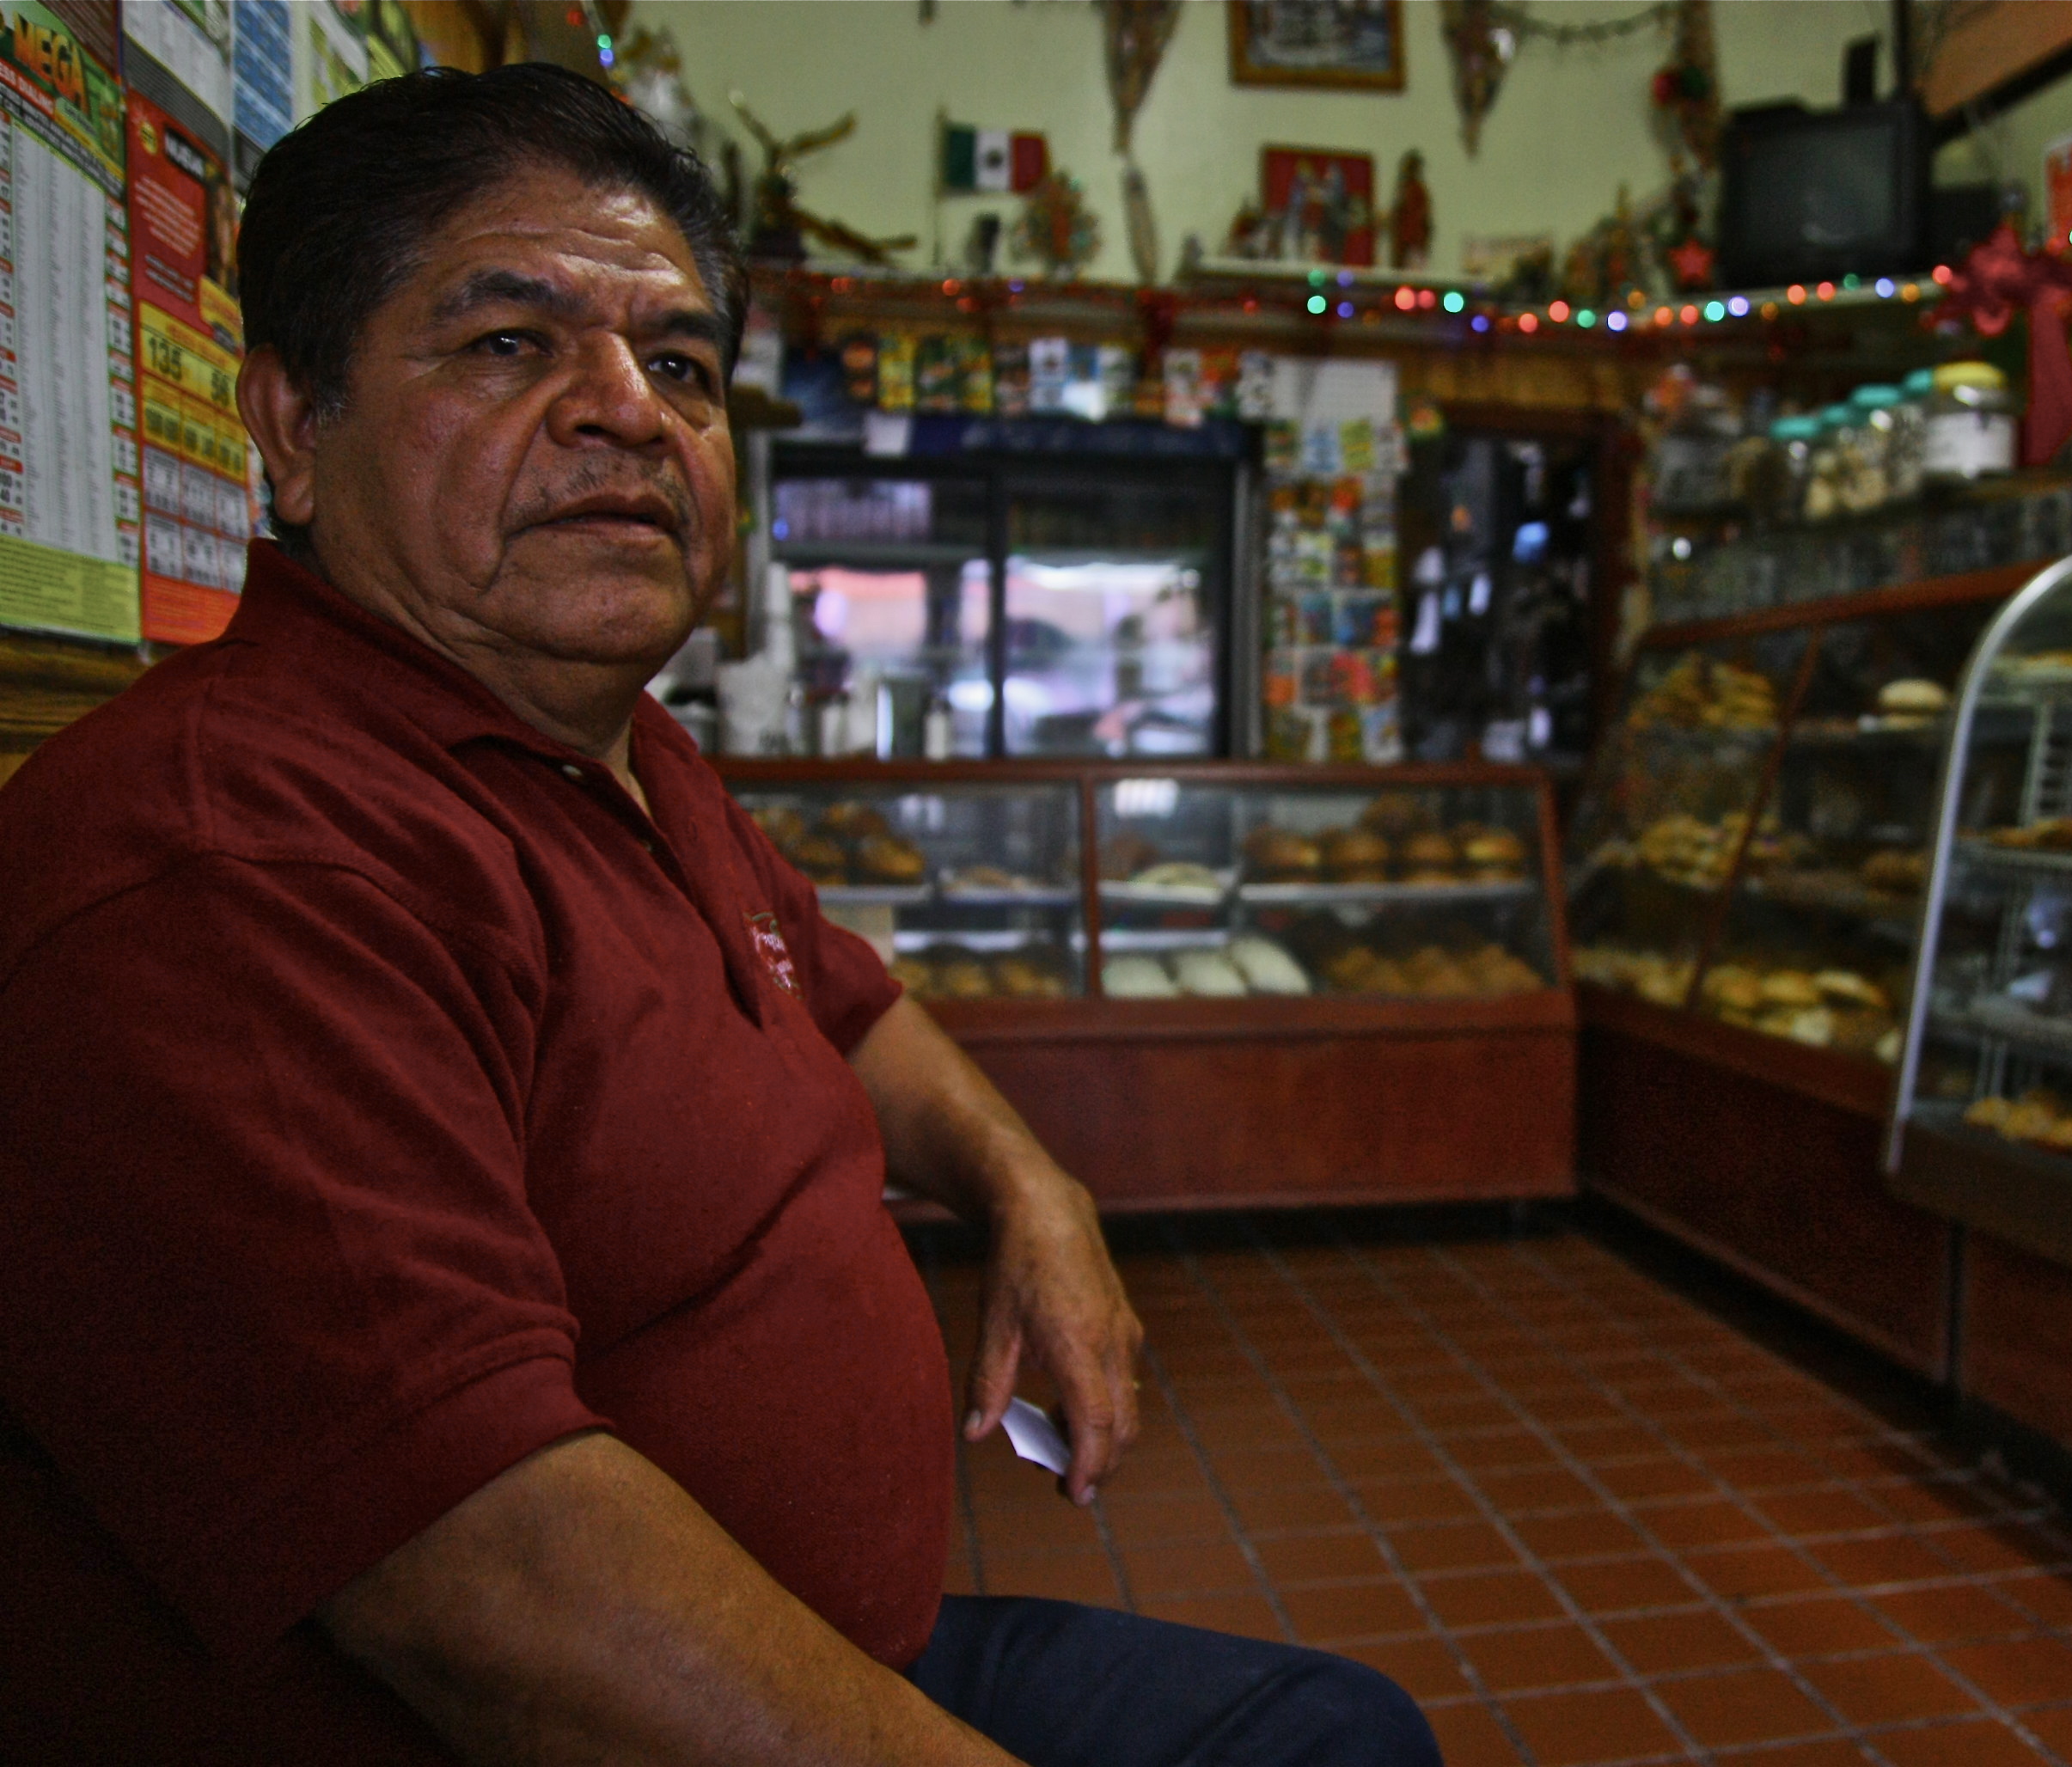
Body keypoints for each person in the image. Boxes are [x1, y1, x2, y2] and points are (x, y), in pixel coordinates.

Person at [0, 64, 1438, 1767]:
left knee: (1338, 1730)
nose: (628, 410)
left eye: (679, 364)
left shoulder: (619, 753)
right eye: (510, 343)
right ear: (295, 428)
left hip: (845, 1643)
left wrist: (1029, 1187)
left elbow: (845, 1004)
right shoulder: (229, 858)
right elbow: (497, 1597)